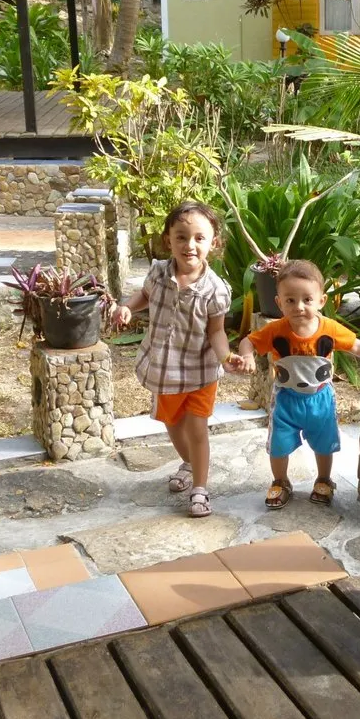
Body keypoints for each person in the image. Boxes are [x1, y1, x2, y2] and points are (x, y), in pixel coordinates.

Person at [238, 259, 360, 509]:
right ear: (279, 303)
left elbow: (356, 345)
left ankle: (324, 479)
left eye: (307, 299)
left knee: (324, 442)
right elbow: (248, 341)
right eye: (290, 300)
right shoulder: (275, 330)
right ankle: (280, 481)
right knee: (278, 445)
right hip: (286, 400)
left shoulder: (329, 329)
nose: (299, 306)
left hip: (320, 399)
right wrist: (247, 356)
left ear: (321, 301)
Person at [113, 202, 242, 518]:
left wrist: (226, 356)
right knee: (171, 423)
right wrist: (128, 306)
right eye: (181, 237)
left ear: (214, 243)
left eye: (199, 238)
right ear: (168, 240)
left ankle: (200, 488)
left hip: (200, 372)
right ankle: (188, 463)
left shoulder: (216, 290)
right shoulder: (158, 272)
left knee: (197, 430)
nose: (190, 245)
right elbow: (145, 296)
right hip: (164, 369)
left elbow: (216, 332)